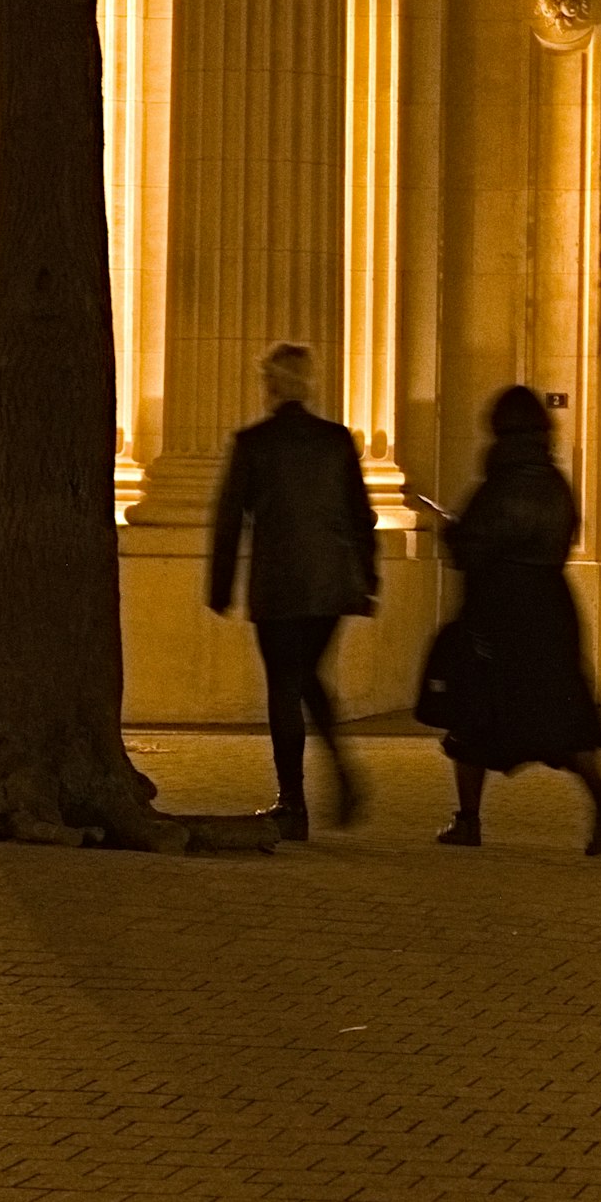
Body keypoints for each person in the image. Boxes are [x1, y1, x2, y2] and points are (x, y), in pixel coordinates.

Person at [423, 384, 601, 854]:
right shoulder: (555, 481)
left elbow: (472, 550)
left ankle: (468, 820)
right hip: (551, 607)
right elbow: (565, 534)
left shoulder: (498, 483)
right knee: (560, 717)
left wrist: (452, 531)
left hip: (498, 611)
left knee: (473, 713)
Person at [205, 341, 378, 837]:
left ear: (274, 384)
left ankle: (293, 803)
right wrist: (367, 579)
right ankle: (341, 771)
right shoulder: (337, 440)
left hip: (280, 581)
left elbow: (229, 519)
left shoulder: (254, 443)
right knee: (306, 675)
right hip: (331, 580)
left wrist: (221, 586)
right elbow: (360, 515)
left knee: (286, 685)